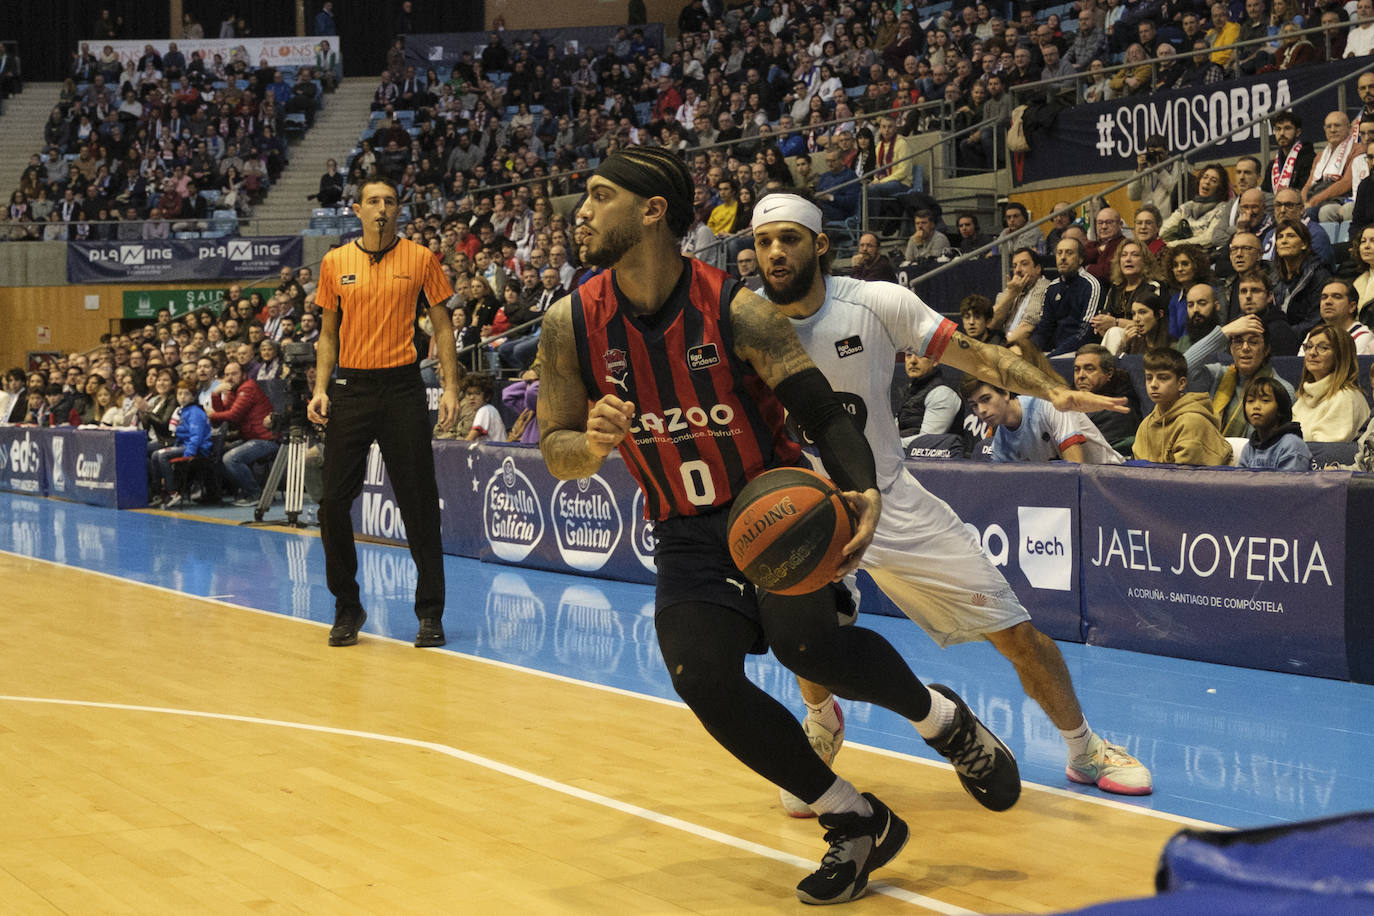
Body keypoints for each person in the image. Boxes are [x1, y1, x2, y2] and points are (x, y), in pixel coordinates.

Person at [536, 151, 1021, 905]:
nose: (583, 211)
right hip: (685, 532)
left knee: (809, 649)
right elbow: (556, 449)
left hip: (771, 508)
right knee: (699, 676)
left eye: (601, 195)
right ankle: (854, 820)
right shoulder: (570, 323)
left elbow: (823, 413)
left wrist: (863, 488)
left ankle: (942, 721)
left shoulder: (738, 310)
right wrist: (591, 444)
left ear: (653, 210)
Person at [747, 189, 1149, 803]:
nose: (775, 252)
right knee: (804, 635)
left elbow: (975, 353)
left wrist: (1053, 391)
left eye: (789, 239)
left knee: (1014, 631)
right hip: (803, 505)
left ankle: (1084, 748)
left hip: (890, 499)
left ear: (820, 244)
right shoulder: (746, 323)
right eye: (763, 241)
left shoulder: (876, 301)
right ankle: (822, 719)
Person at [308, 179, 462, 650]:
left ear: (399, 210)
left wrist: (451, 387)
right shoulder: (335, 262)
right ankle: (347, 606)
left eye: (389, 202)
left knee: (419, 504)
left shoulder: (421, 258)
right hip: (351, 389)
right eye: (373, 201)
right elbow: (327, 333)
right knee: (333, 503)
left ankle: (430, 613)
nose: (382, 208)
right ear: (357, 210)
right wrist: (320, 388)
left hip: (402, 389)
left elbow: (443, 326)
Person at [967, 378, 1126, 465]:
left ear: (1005, 393)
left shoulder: (1050, 406)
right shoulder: (1000, 445)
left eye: (986, 399)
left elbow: (1075, 468)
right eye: (974, 405)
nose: (981, 410)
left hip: (1110, 478)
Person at [1132, 347, 1233, 465]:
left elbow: (1186, 474)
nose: (1153, 384)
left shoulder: (1192, 422)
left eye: (1163, 378)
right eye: (1149, 378)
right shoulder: (1146, 424)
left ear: (1181, 383)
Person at [1292, 323, 1371, 442]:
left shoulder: (1345, 398)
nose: (1312, 352)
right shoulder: (1304, 396)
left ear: (1341, 355)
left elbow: (1327, 450)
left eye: (1323, 348)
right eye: (1309, 346)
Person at [1032, 237, 1103, 356]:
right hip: (1054, 351)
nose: (1063, 257)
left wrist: (1054, 356)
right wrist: (1031, 351)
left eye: (1069, 253)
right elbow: (1044, 328)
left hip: (1082, 352)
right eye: (1059, 253)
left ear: (1080, 259)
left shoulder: (1091, 285)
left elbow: (1086, 332)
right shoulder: (1052, 287)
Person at [152, 380, 213, 508]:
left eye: (186, 394)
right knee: (155, 455)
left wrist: (189, 454)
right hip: (183, 446)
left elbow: (196, 437)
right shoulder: (182, 411)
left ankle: (173, 493)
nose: (182, 397)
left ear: (193, 397)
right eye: (180, 394)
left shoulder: (195, 412)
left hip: (197, 449)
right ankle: (159, 492)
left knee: (162, 455)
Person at [1073, 344, 1143, 454]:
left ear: (1109, 373)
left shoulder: (1118, 410)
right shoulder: (1067, 402)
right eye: (1077, 370)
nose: (1080, 376)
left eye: (1089, 369)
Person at [1272, 219, 1332, 336]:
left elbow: (1316, 320)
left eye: (1290, 236)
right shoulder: (1273, 278)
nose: (1284, 241)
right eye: (1280, 237)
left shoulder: (1319, 276)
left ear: (1304, 244)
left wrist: (1284, 334)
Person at [1236, 378, 1312, 470]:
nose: (1256, 406)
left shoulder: (1292, 445)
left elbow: (1289, 479)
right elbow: (1240, 478)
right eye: (1250, 401)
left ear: (1280, 408)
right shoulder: (1249, 448)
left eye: (1265, 400)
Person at [896, 350, 962, 441]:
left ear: (935, 361)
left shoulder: (942, 394)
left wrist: (888, 446)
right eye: (909, 355)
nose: (913, 361)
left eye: (920, 354)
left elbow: (926, 441)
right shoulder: (910, 391)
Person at [992, 247, 1050, 345]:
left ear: (1037, 269)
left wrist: (1002, 348)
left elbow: (1027, 326)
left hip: (1023, 346)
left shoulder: (1045, 287)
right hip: (1001, 344)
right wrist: (1011, 294)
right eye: (1014, 266)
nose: (1017, 270)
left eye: (1024, 264)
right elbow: (992, 323)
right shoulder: (1012, 289)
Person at [1317, 279, 1374, 355]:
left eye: (1337, 297)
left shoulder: (1363, 336)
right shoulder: (1313, 335)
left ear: (1352, 306)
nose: (1328, 302)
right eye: (1324, 297)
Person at [461, 374, 506, 442]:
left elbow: (470, 438)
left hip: (495, 449)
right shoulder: (489, 409)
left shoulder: (485, 410)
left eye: (477, 393)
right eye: (469, 394)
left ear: (487, 396)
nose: (472, 398)